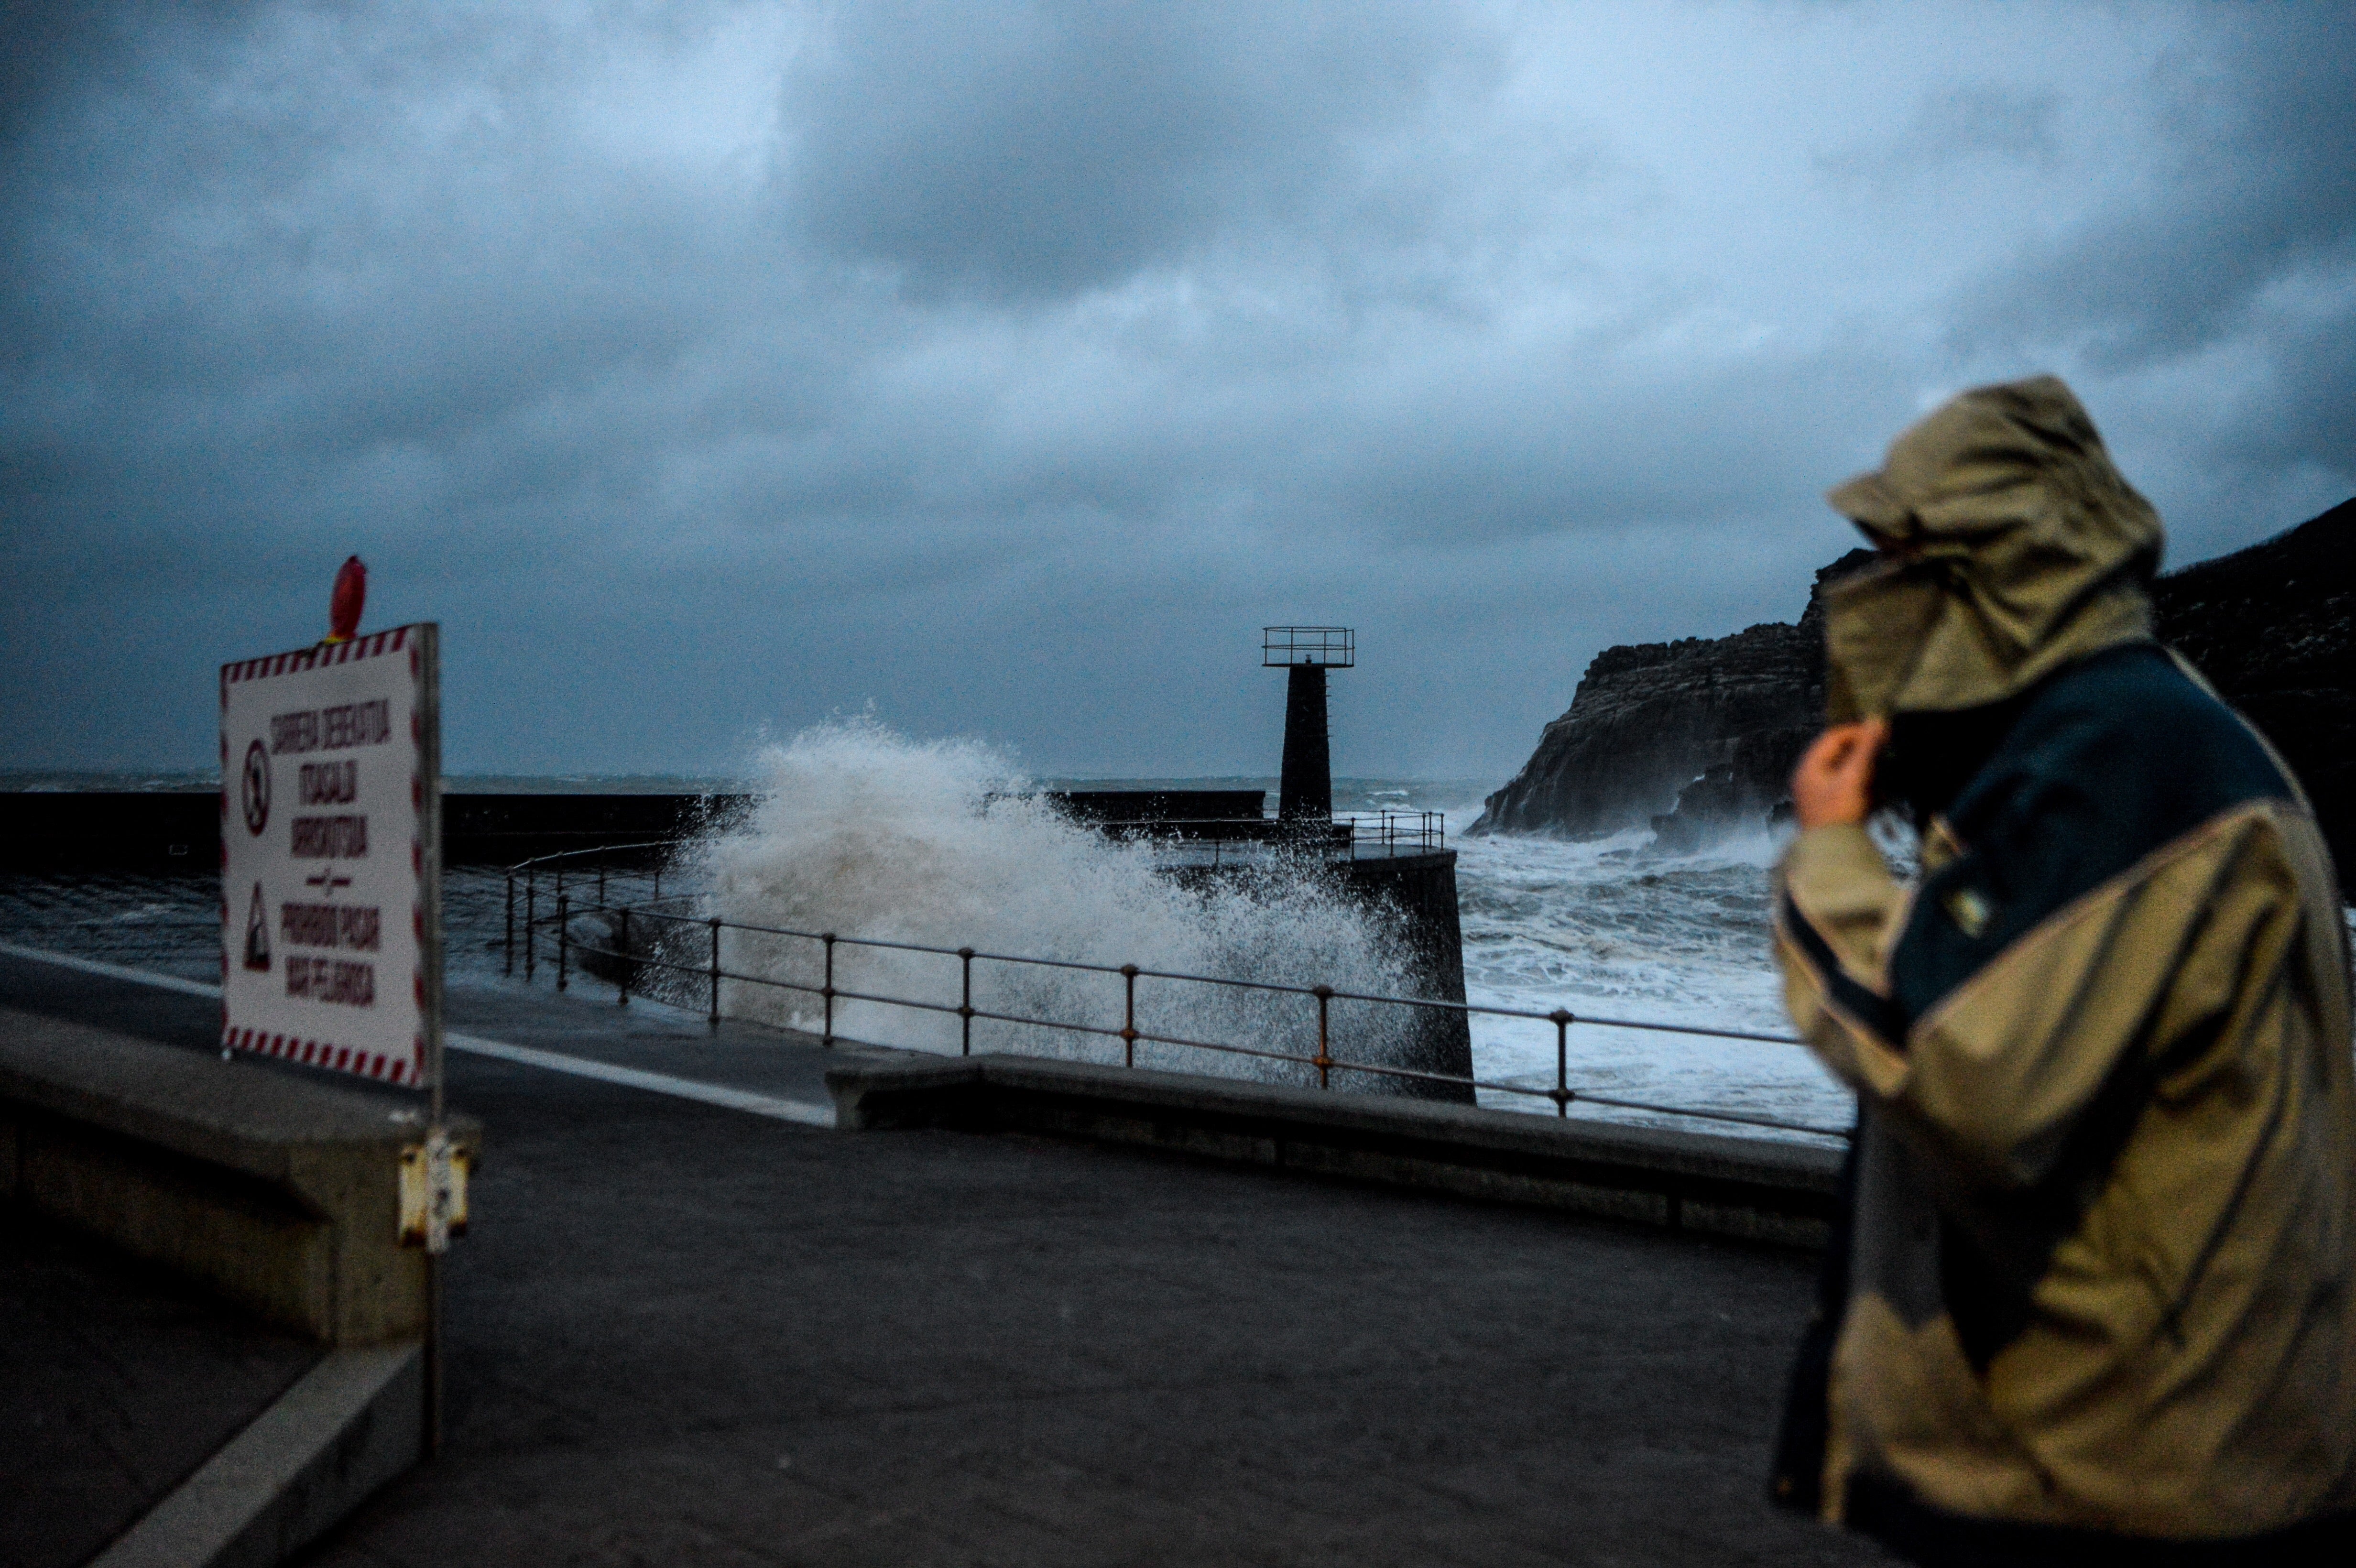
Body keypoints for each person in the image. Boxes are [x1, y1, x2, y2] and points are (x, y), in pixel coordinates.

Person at [1767, 375, 2356, 1564]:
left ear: (1996, 568)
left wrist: (1829, 847)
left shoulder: (2110, 759)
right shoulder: (2174, 731)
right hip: (2193, 1442)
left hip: (2116, 1474)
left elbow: (1951, 1061)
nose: (1866, 596)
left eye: (1897, 559)